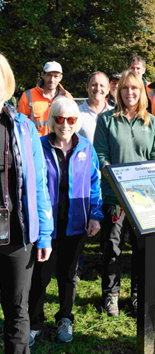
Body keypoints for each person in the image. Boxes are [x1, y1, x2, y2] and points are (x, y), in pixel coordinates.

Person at [28, 97, 103, 345]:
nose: (65, 124)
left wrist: (95, 215)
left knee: (68, 275)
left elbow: (95, 184)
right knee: (40, 275)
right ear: (52, 121)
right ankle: (34, 321)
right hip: (45, 226)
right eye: (60, 119)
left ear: (77, 121)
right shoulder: (38, 147)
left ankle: (65, 318)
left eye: (71, 119)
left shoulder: (86, 148)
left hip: (76, 223)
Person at [94, 70, 155, 317]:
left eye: (134, 88)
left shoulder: (151, 122)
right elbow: (100, 155)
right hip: (114, 197)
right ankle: (111, 295)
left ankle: (138, 295)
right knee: (112, 247)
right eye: (125, 88)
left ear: (141, 91)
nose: (130, 92)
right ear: (118, 91)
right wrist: (110, 173)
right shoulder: (106, 121)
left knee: (142, 249)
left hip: (144, 199)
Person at [0, 54, 53, 353]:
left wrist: (44, 233)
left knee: (17, 311)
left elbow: (39, 185)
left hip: (18, 235)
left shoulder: (23, 127)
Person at [17, 61, 72, 137]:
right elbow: (20, 125)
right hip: (36, 145)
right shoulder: (27, 96)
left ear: (60, 78)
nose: (52, 80)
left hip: (59, 145)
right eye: (49, 75)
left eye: (56, 76)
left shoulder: (67, 97)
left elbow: (73, 124)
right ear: (42, 75)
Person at [78, 72, 114, 143]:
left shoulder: (115, 114)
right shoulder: (76, 113)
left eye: (102, 85)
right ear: (87, 87)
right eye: (94, 85)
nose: (98, 88)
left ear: (108, 90)